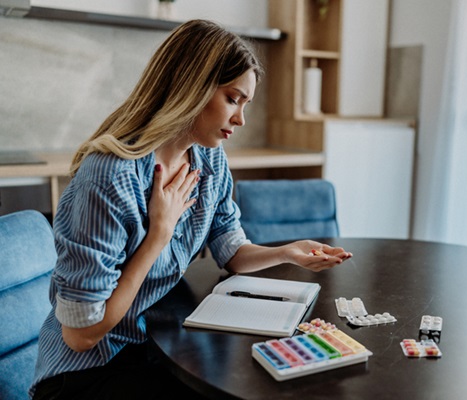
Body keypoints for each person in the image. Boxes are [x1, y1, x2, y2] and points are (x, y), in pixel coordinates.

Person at [30, 19, 352, 400]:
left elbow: (231, 252)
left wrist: (286, 252)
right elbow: (82, 334)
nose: (240, 119)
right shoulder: (110, 177)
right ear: (192, 87)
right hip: (87, 373)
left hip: (153, 346)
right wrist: (158, 236)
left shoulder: (209, 162)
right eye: (232, 99)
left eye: (245, 104)